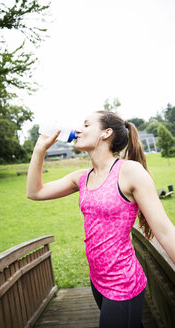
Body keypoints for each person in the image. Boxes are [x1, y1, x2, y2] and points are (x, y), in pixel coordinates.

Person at [27, 110, 175, 328]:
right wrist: (40, 148)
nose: (78, 130)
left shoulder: (130, 171)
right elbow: (35, 192)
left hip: (123, 284)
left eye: (86, 125)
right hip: (97, 281)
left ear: (106, 133)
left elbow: (165, 231)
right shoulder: (81, 178)